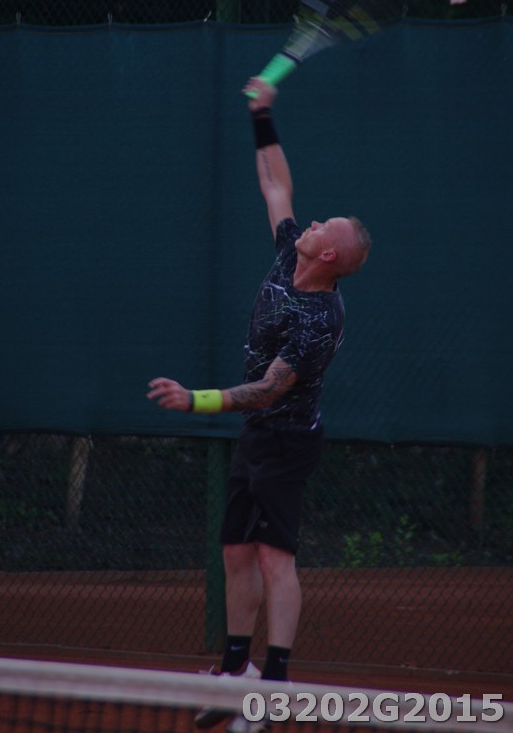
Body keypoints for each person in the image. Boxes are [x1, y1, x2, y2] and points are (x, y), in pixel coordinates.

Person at [147, 78, 371, 732]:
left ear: (327, 254)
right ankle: (234, 670)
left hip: (287, 442)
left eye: (322, 226)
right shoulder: (287, 252)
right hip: (257, 437)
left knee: (275, 560)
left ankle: (273, 687)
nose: (310, 221)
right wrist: (262, 117)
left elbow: (270, 389)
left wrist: (195, 400)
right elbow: (275, 185)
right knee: (236, 553)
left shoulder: (319, 319)